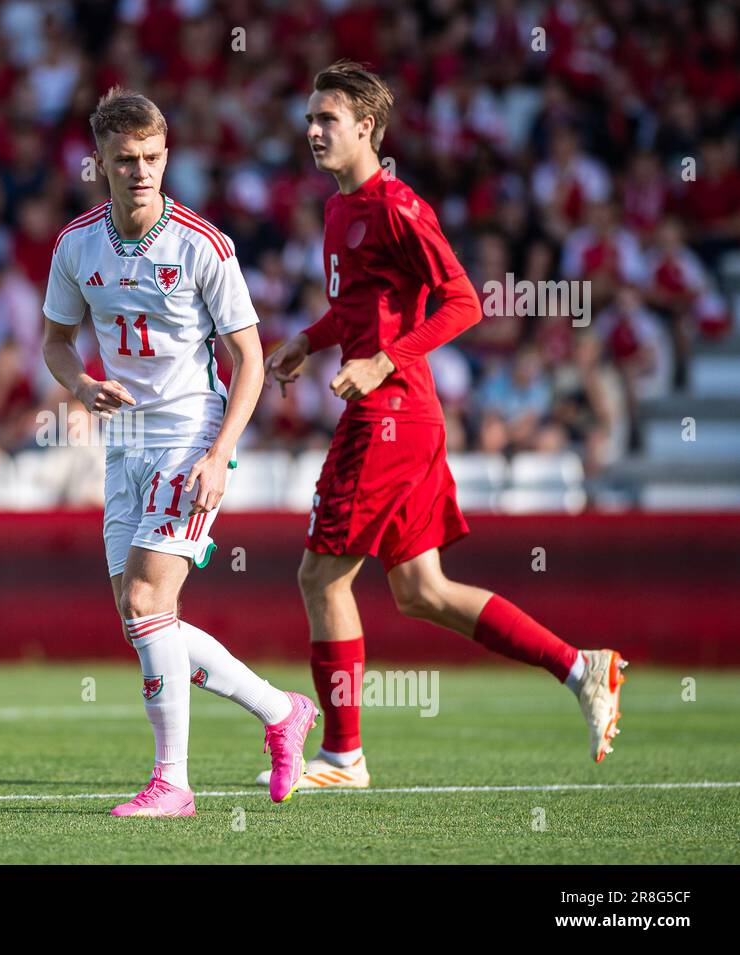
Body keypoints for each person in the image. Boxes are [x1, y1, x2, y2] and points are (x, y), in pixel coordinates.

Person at [263, 61, 627, 790]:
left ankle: (343, 756)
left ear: (367, 126)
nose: (312, 131)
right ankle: (582, 665)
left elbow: (463, 301)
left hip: (391, 414)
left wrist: (381, 364)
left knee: (319, 575)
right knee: (421, 590)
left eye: (326, 119)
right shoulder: (338, 209)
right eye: (308, 118)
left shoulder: (399, 205)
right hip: (401, 414)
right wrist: (312, 335)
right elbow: (360, 309)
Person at [42, 87, 318, 817]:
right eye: (127, 159)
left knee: (144, 602)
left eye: (154, 157)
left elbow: (249, 362)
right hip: (123, 445)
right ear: (98, 160)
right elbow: (55, 342)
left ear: (168, 155)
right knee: (140, 618)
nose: (142, 171)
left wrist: (219, 453)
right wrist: (81, 385)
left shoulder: (202, 244)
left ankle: (174, 782)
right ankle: (280, 709)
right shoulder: (77, 245)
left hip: (190, 436)